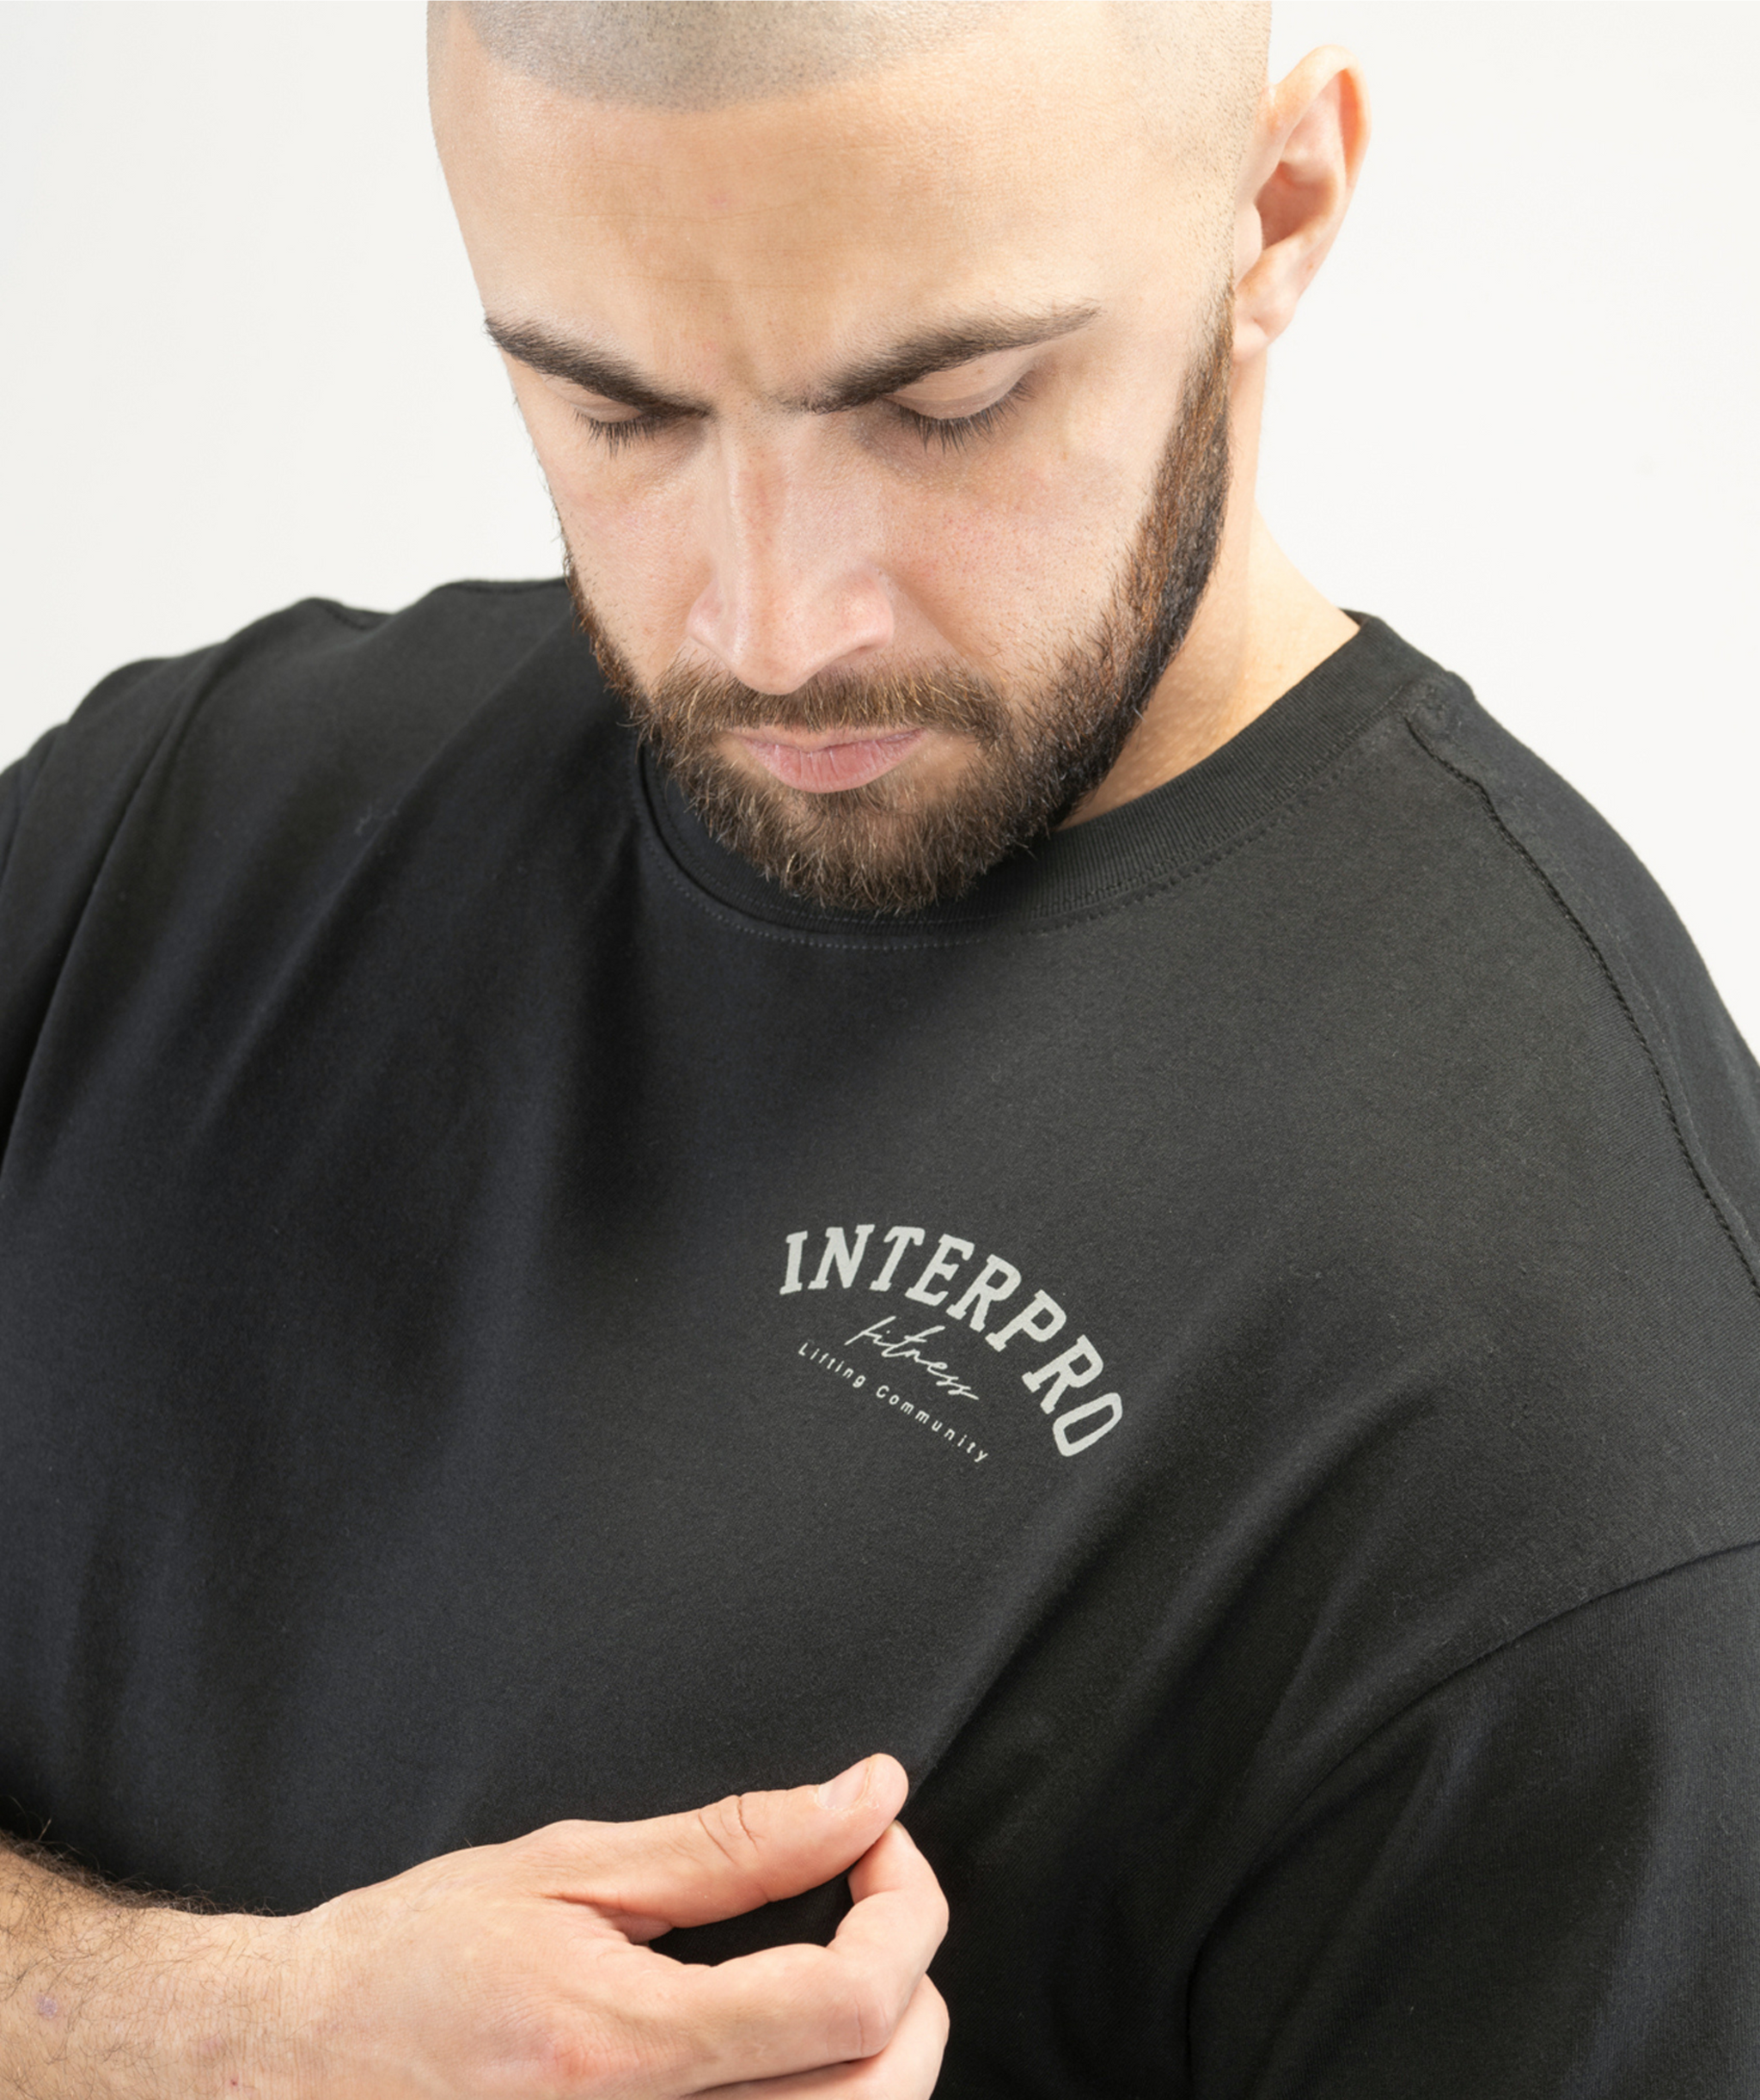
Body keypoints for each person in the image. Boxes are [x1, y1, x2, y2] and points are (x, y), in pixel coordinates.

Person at [2, 0, 1757, 2094]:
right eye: (615, 413)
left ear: (1275, 214)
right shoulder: (171, 822)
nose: (766, 621)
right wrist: (209, 2039)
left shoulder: (1569, 1391)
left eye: (946, 404)